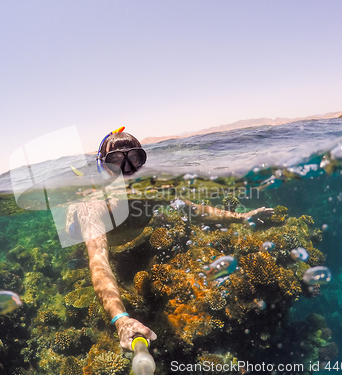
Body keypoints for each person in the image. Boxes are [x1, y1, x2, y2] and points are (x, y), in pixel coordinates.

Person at [68, 128, 274, 351]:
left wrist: (242, 217)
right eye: (115, 162)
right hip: (77, 228)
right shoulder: (94, 206)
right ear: (102, 167)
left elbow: (197, 212)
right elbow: (99, 262)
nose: (127, 171)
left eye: (134, 159)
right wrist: (121, 319)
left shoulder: (154, 192)